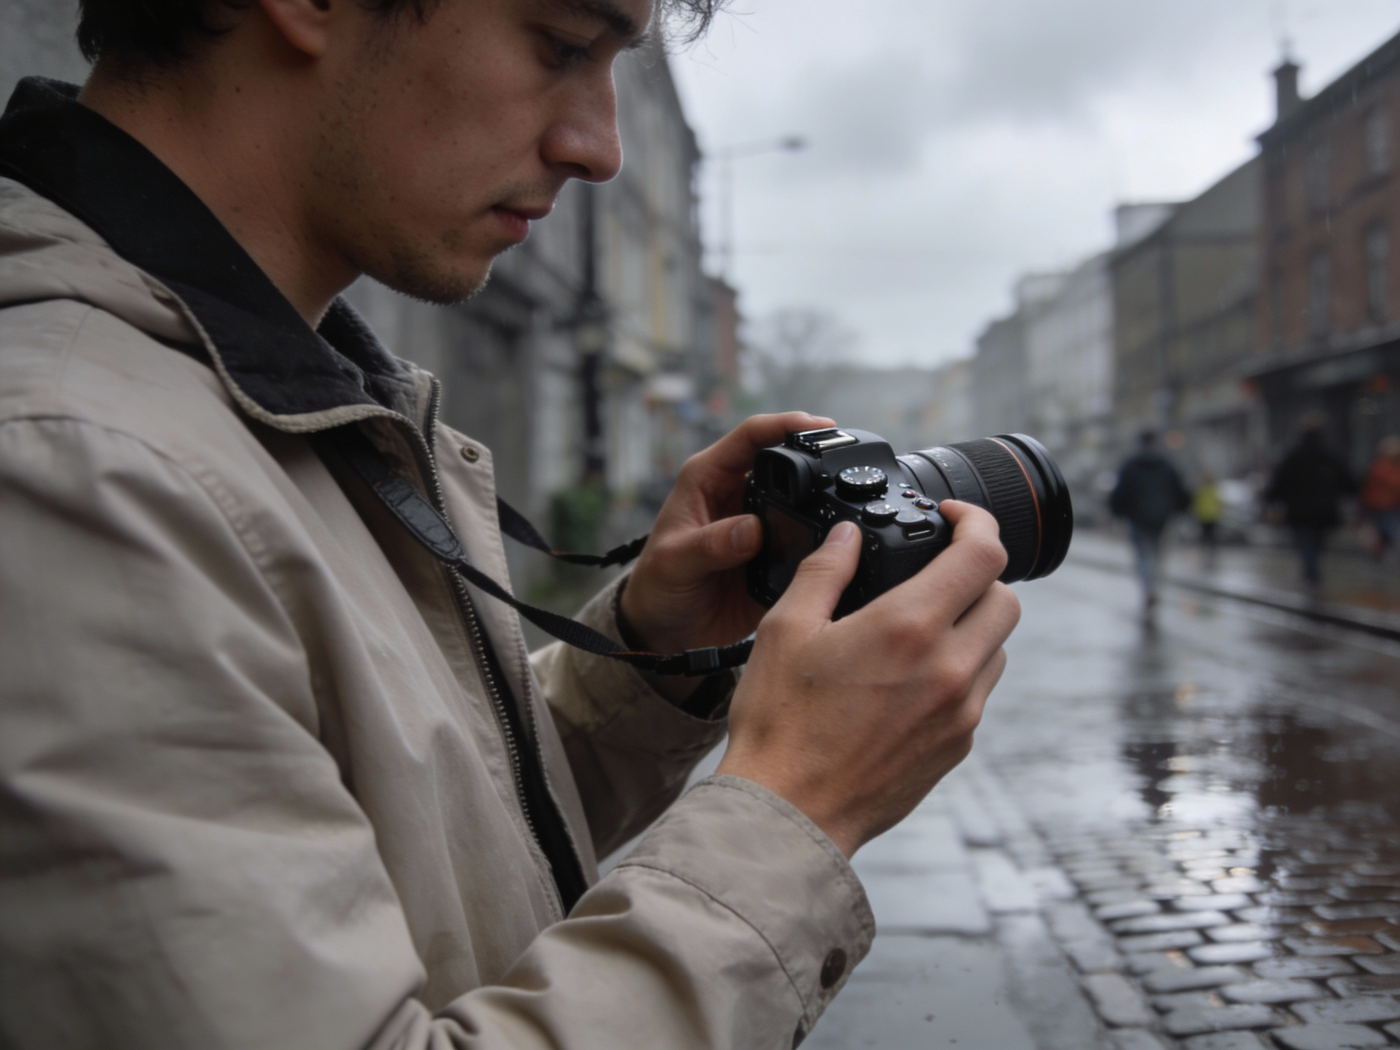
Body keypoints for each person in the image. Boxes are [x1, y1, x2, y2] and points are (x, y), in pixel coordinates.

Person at [0, 1, 1021, 1047]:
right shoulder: (77, 467)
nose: (600, 149)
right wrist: (796, 807)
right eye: (563, 46)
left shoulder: (271, 396)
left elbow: (423, 833)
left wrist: (650, 656)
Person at [1264, 419, 1356, 588]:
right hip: (1324, 509)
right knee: (1316, 542)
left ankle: (1311, 573)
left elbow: (1279, 482)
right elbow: (1348, 480)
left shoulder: (1293, 455)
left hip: (1299, 510)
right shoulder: (1330, 455)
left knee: (1303, 542)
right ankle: (1313, 572)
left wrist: (1270, 500)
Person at [1110, 430, 1190, 608]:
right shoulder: (1166, 464)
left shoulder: (1130, 465)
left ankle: (1148, 587)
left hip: (1137, 517)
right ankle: (1154, 584)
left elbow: (1120, 493)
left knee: (1142, 556)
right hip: (1162, 517)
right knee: (1157, 554)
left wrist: (1117, 512)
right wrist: (1181, 510)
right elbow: (1180, 489)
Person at [1360, 435, 1400, 562]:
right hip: (1383, 505)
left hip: (1386, 505)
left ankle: (1380, 553)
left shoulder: (1379, 465)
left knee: (1384, 532)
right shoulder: (1382, 467)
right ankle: (1380, 553)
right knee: (1386, 531)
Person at [1192, 472, 1223, 564]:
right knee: (1207, 536)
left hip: (1208, 517)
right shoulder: (1210, 490)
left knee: (1209, 536)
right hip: (1206, 516)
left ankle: (1209, 551)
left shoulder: (1208, 490)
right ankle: (1207, 551)